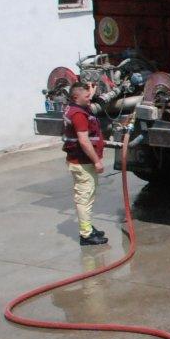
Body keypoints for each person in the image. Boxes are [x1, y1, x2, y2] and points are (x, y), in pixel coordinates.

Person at [63, 82, 107, 245]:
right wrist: (97, 161)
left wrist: (91, 91)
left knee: (87, 195)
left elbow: (85, 98)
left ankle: (87, 226)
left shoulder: (74, 107)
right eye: (87, 97)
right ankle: (86, 235)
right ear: (76, 97)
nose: (90, 99)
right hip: (83, 162)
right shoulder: (78, 115)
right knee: (85, 198)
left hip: (79, 161)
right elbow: (84, 140)